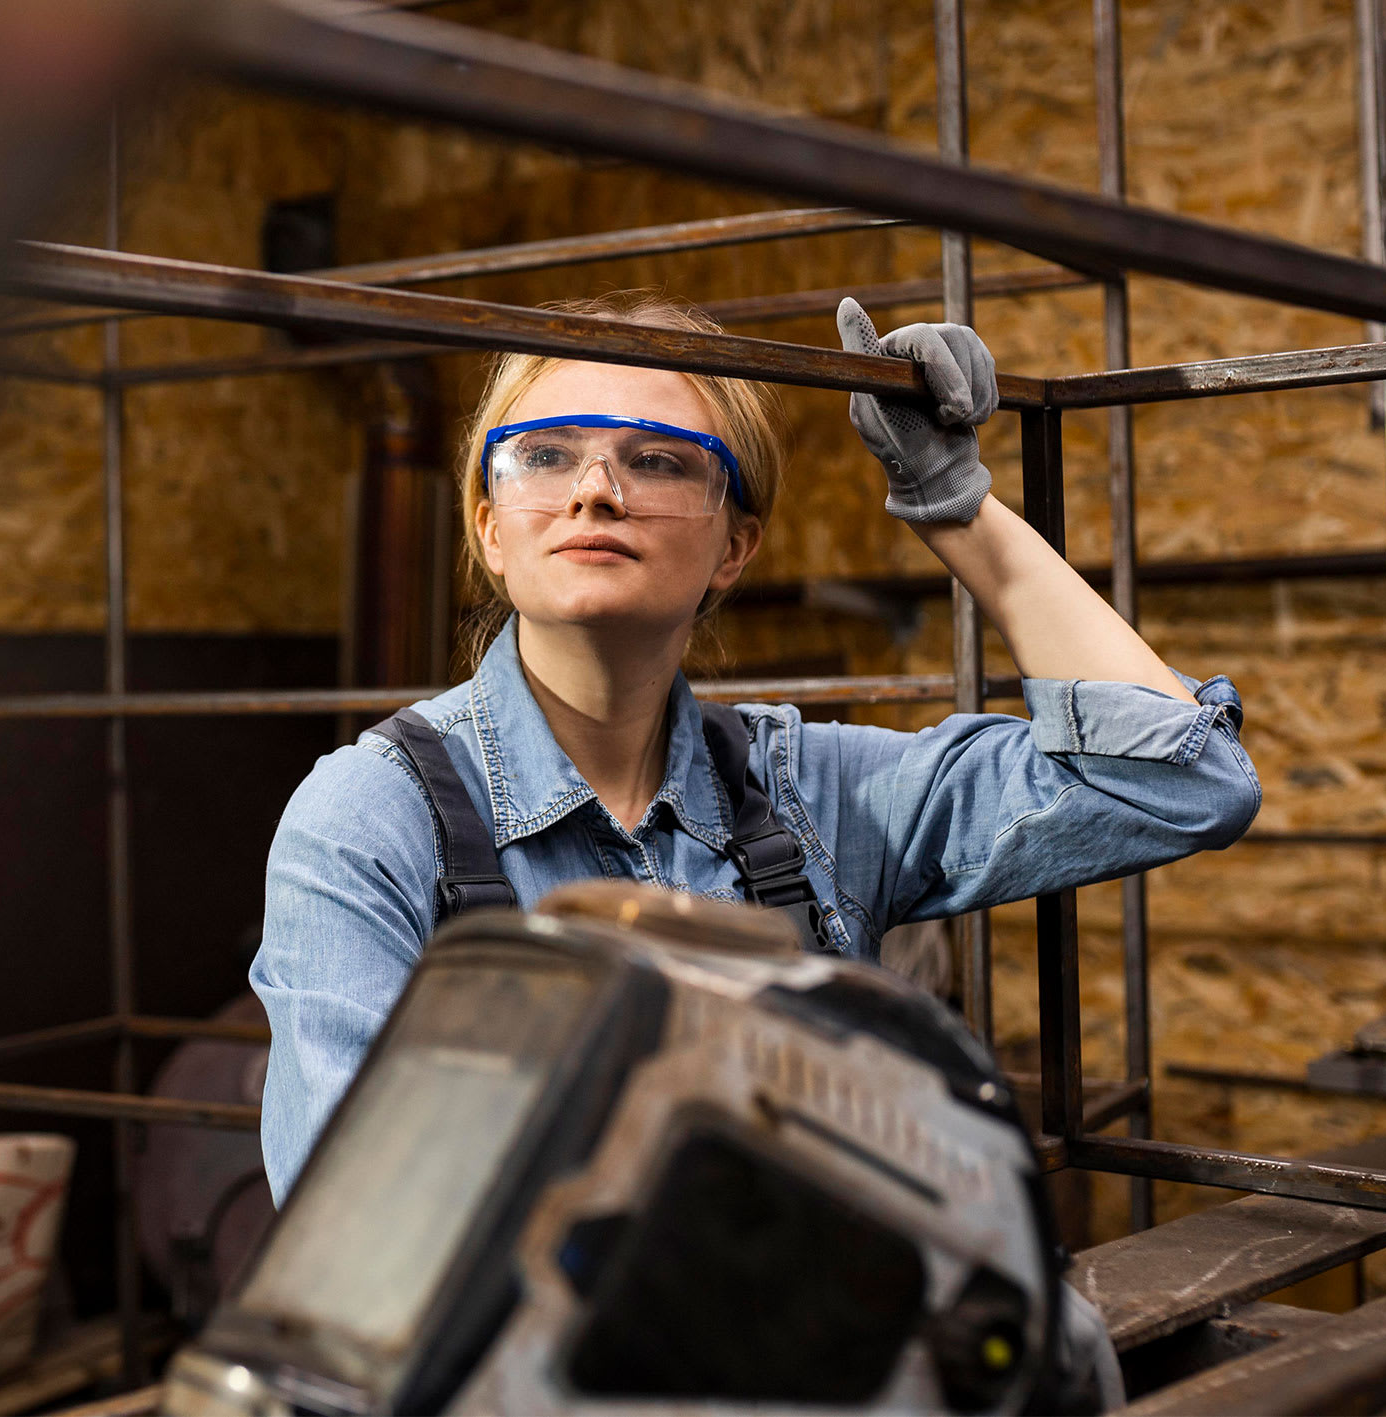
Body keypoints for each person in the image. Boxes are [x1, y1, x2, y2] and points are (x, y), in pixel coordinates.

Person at [251, 291, 1260, 1204]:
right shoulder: (372, 820)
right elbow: (357, 1219)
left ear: (735, 546)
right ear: (489, 528)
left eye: (655, 460)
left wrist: (958, 506)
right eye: (546, 455)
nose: (595, 490)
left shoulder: (804, 790)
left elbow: (1178, 779)